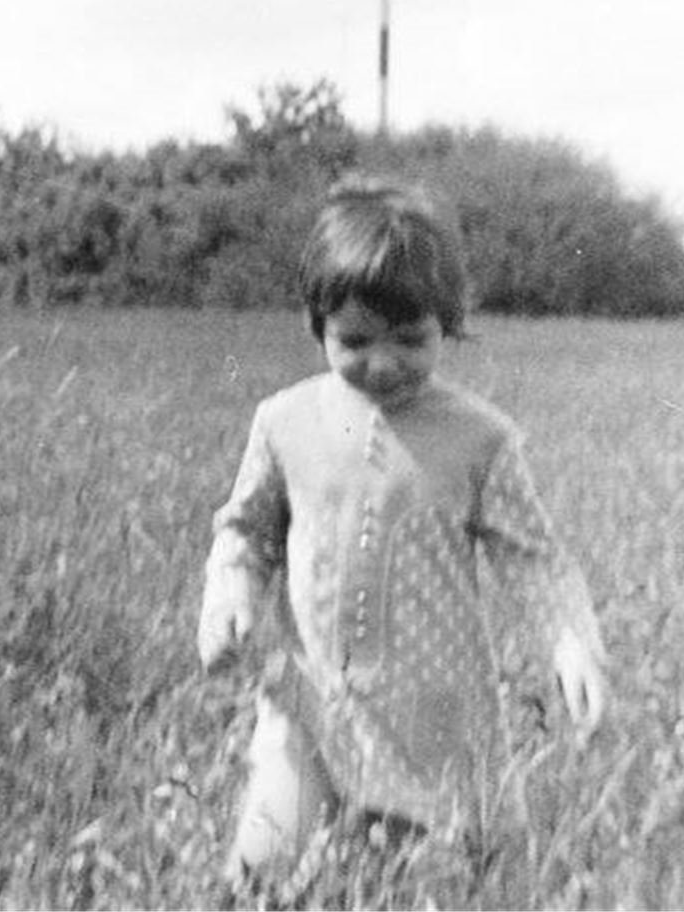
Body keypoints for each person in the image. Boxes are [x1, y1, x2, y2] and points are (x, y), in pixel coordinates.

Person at [197, 178, 606, 895]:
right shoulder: (284, 423)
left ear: (448, 323)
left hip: (436, 720)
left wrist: (570, 642)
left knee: (434, 883)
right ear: (316, 324)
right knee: (261, 866)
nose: (381, 365)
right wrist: (230, 593)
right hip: (311, 704)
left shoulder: (482, 440)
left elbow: (536, 559)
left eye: (410, 340)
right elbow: (247, 530)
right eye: (353, 341)